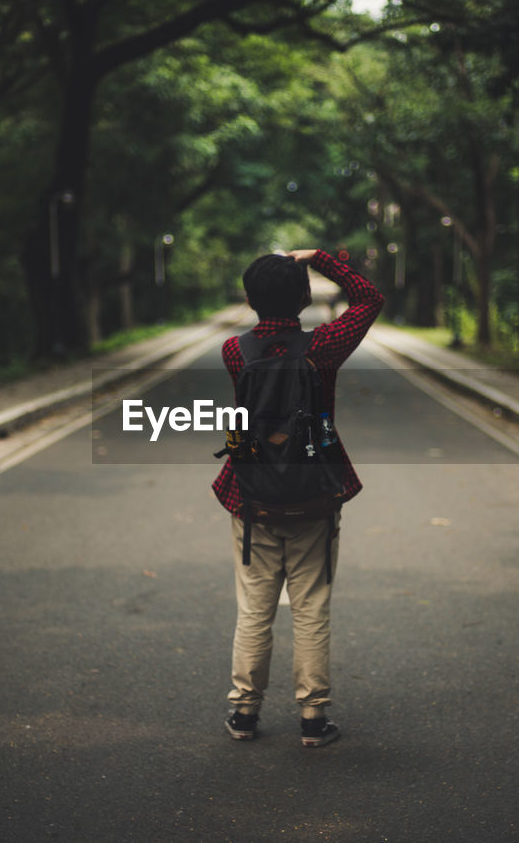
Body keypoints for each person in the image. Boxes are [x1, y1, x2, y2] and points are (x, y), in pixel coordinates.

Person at [212, 248, 384, 747]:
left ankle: (244, 712)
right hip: (315, 491)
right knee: (310, 606)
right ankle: (313, 718)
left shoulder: (233, 352)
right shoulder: (324, 346)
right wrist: (322, 258)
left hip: (252, 494)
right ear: (306, 297)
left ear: (248, 299)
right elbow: (370, 298)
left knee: (254, 607)